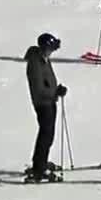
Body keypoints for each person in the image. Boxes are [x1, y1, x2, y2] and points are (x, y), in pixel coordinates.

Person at [23, 32, 67, 182]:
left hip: (49, 101)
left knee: (48, 136)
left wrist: (57, 90)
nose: (52, 52)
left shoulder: (44, 59)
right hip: (43, 104)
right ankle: (39, 169)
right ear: (43, 48)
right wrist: (54, 92)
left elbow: (48, 81)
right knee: (45, 136)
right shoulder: (35, 63)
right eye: (50, 49)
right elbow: (39, 89)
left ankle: (41, 162)